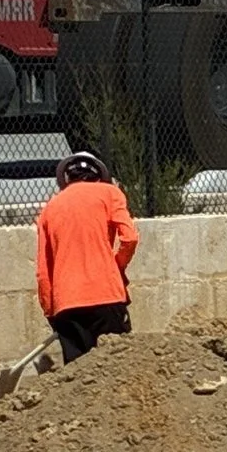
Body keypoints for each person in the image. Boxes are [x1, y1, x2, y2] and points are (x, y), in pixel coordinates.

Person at [35, 150, 139, 362]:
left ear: (66, 177)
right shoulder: (109, 193)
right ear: (98, 175)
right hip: (107, 295)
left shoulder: (50, 208)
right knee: (118, 365)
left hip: (66, 303)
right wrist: (116, 267)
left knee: (78, 375)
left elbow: (43, 272)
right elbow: (130, 238)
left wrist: (50, 312)